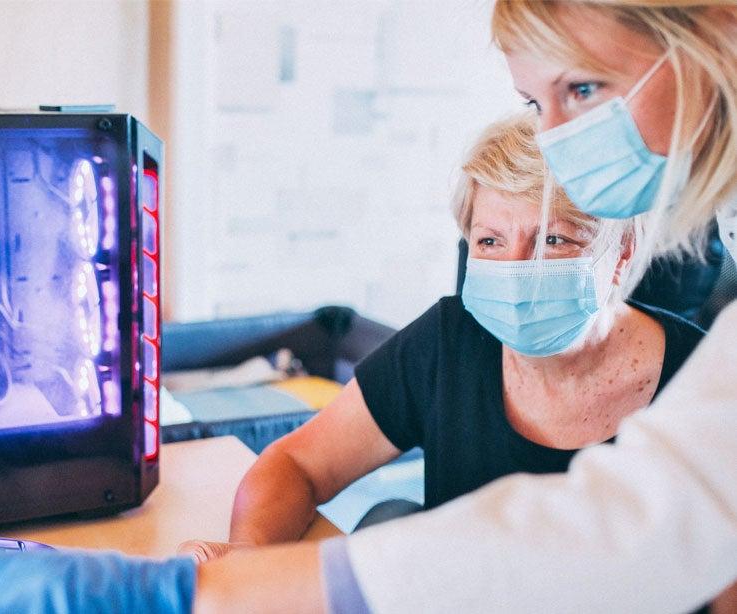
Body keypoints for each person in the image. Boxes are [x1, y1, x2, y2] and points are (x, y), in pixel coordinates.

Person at [0, 1, 735, 612]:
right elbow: (650, 520)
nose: (560, 139)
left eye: (585, 90)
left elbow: (637, 536)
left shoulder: (697, 359)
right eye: (536, 101)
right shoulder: (453, 342)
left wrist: (198, 596)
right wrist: (247, 576)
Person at [177, 113, 703, 556]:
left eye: (553, 239)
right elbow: (296, 464)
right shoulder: (452, 340)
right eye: (491, 240)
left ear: (623, 252)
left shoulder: (703, 380)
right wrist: (248, 564)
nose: (517, 268)